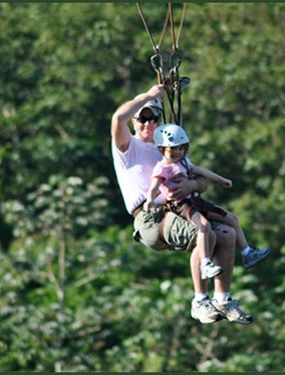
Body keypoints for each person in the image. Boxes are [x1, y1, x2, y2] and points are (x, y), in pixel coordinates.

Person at [111, 84, 268, 324]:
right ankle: (199, 302)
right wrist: (150, 96)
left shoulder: (167, 148)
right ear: (134, 120)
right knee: (203, 233)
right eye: (142, 118)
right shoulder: (127, 147)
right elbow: (117, 117)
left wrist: (193, 186)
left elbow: (198, 178)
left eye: (153, 118)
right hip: (152, 216)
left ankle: (223, 300)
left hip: (179, 207)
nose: (148, 123)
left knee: (226, 235)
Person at [144, 123, 272, 281]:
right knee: (204, 226)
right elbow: (153, 187)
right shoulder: (161, 169)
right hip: (181, 204)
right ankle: (205, 264)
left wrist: (221, 180)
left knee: (231, 218)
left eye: (180, 148)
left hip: (195, 200)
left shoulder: (183, 162)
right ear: (161, 149)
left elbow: (201, 171)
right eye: (173, 148)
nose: (177, 152)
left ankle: (247, 253)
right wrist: (150, 201)